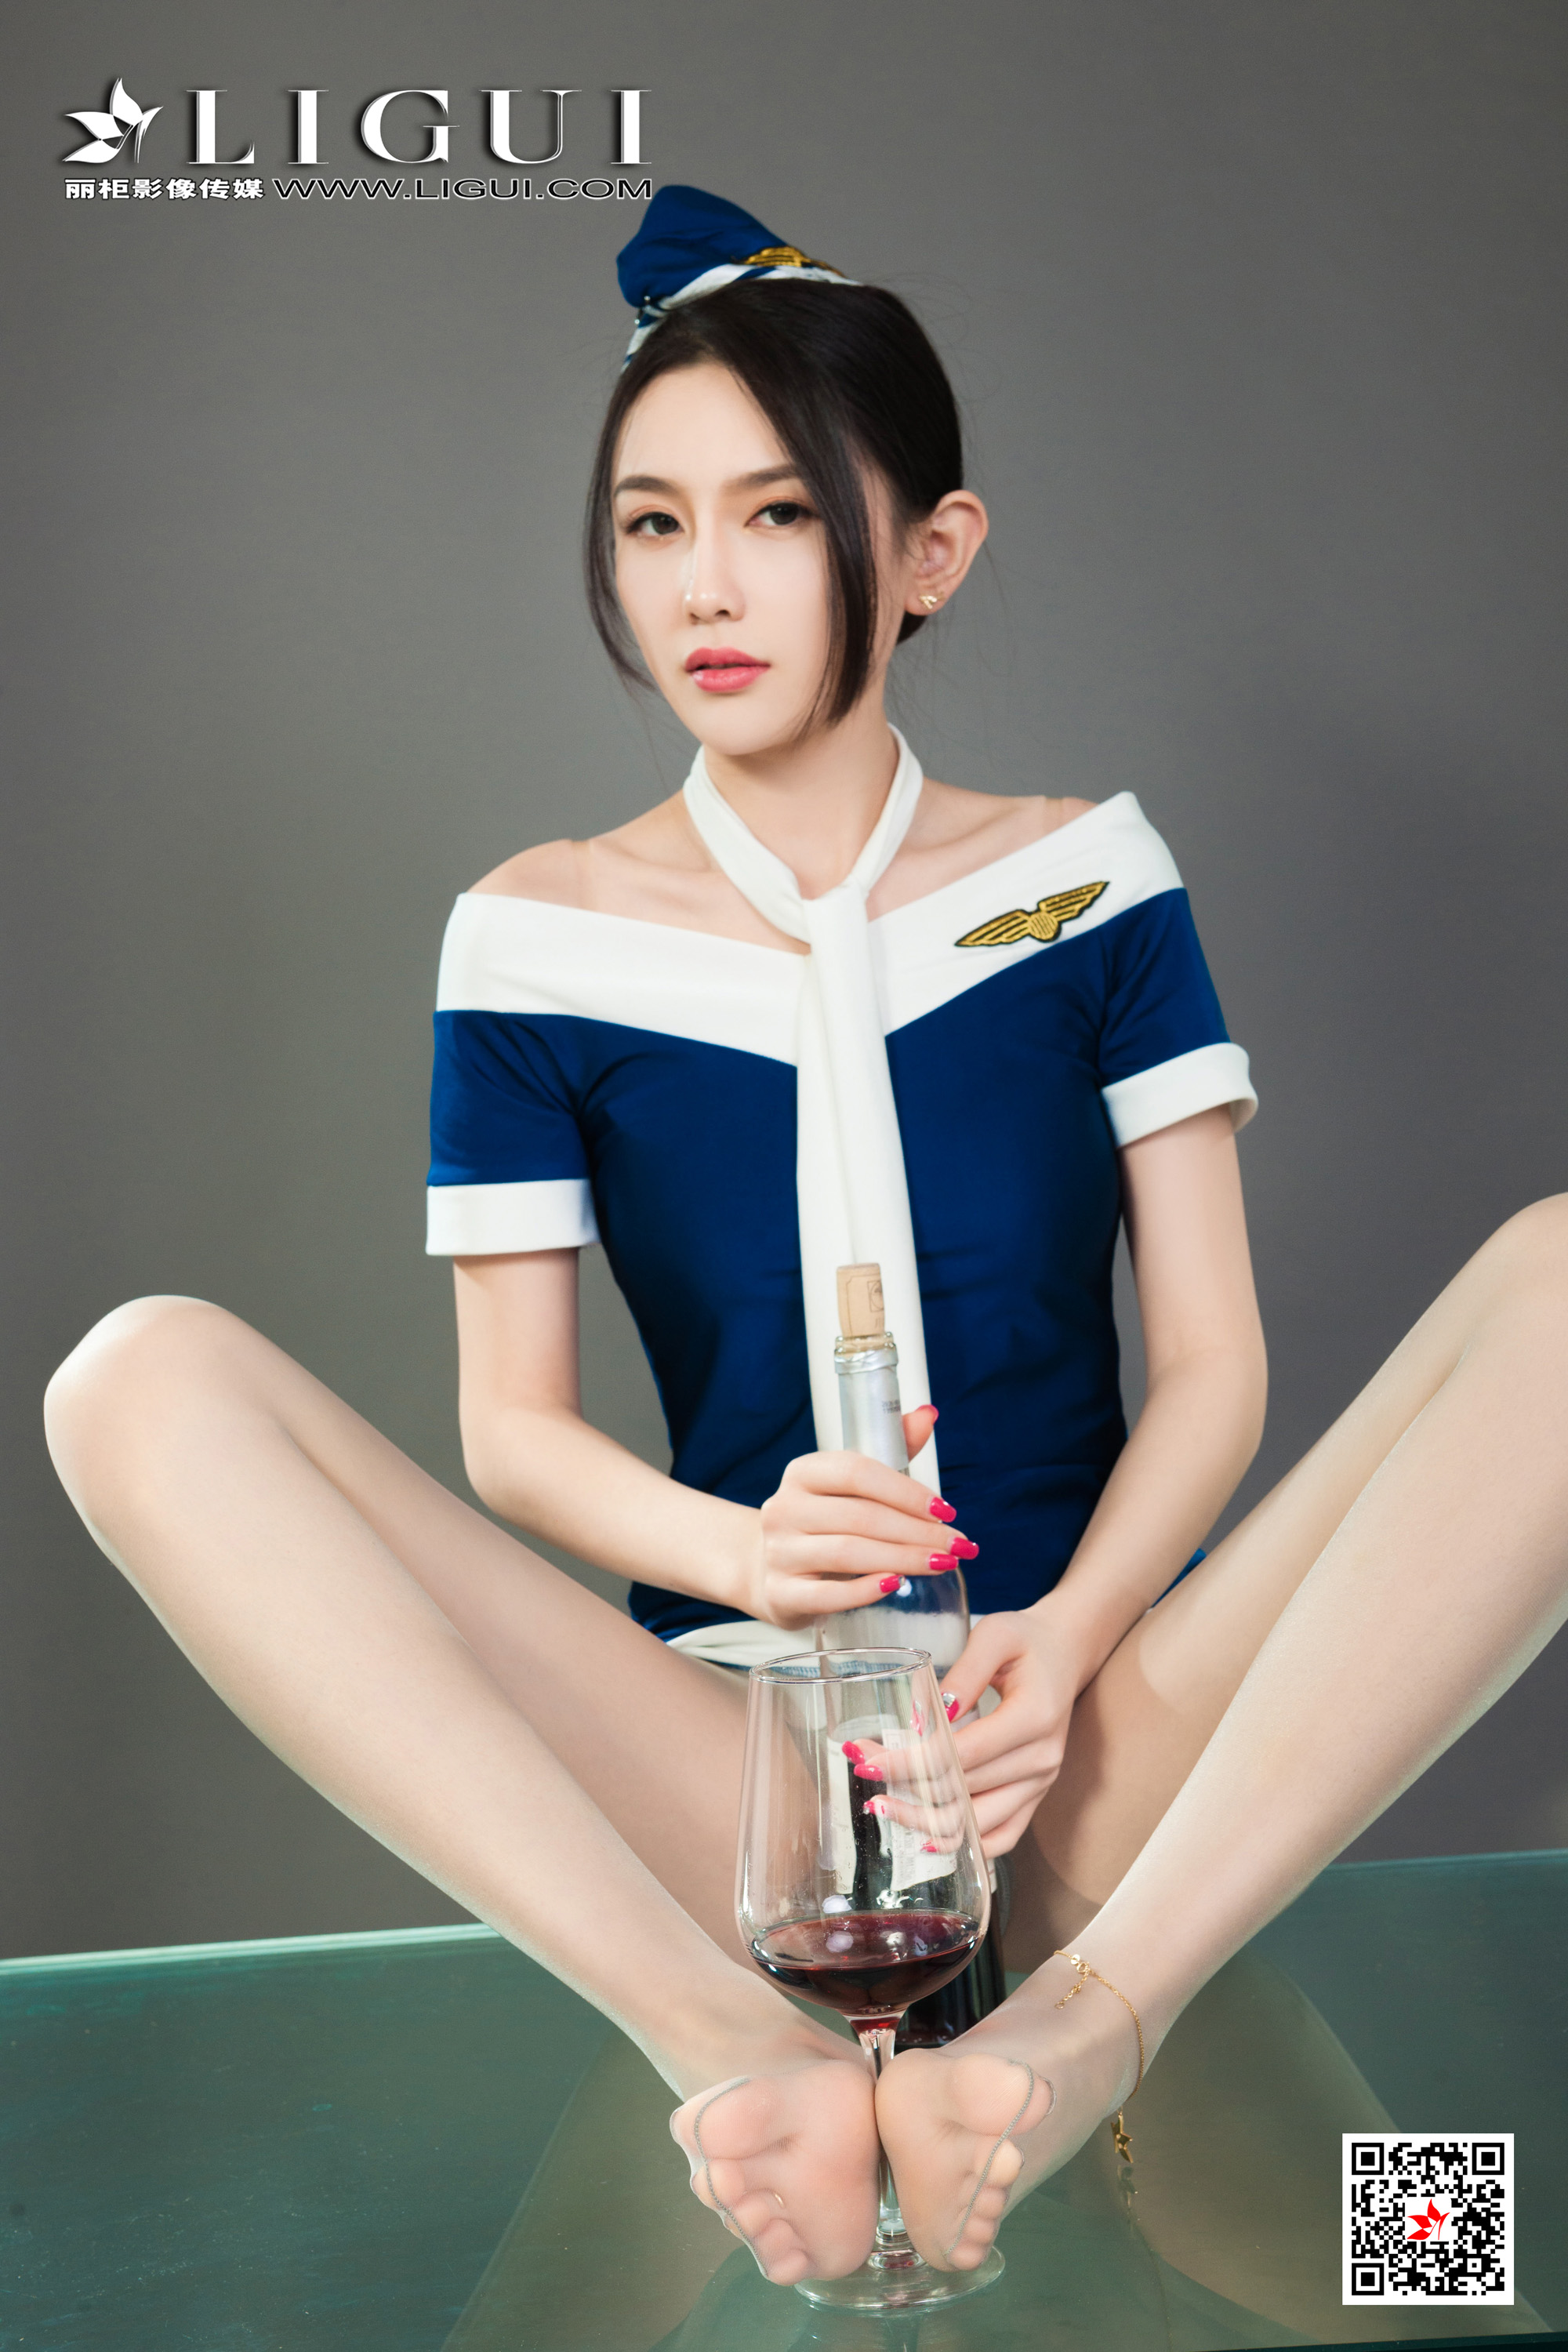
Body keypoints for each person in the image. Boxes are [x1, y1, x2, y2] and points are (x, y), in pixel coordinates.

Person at [43, 188, 1568, 2296]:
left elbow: (1215, 1368)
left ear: (930, 551)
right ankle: (735, 2050)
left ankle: (1086, 2027)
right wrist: (743, 1557)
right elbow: (513, 1436)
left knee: (1449, 2278)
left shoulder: (1086, 881)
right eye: (652, 524)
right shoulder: (535, 935)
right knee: (135, 1378)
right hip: (741, 1770)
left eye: (774, 514)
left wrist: (1068, 1641)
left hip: (1101, 1740)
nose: (706, 583)